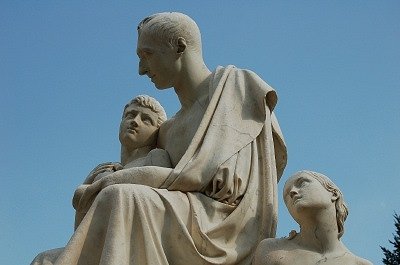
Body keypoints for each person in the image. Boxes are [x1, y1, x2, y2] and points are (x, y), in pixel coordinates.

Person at [32, 12, 287, 265]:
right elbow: (148, 171)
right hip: (177, 219)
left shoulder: (237, 87)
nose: (142, 69)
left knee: (121, 197)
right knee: (46, 259)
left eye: (147, 55)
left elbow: (201, 178)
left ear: (179, 46)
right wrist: (109, 175)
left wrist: (108, 183)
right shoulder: (168, 130)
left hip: (227, 228)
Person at [31, 94, 170, 264]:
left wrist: (94, 188)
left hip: (133, 245)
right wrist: (88, 183)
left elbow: (161, 205)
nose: (135, 121)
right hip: (98, 245)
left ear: (156, 132)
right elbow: (81, 232)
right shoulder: (104, 169)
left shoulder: (155, 157)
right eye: (130, 115)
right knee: (44, 259)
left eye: (146, 119)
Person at [252, 170, 372, 265]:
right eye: (286, 196)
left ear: (334, 194)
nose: (292, 192)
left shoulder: (361, 264)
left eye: (302, 183)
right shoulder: (272, 250)